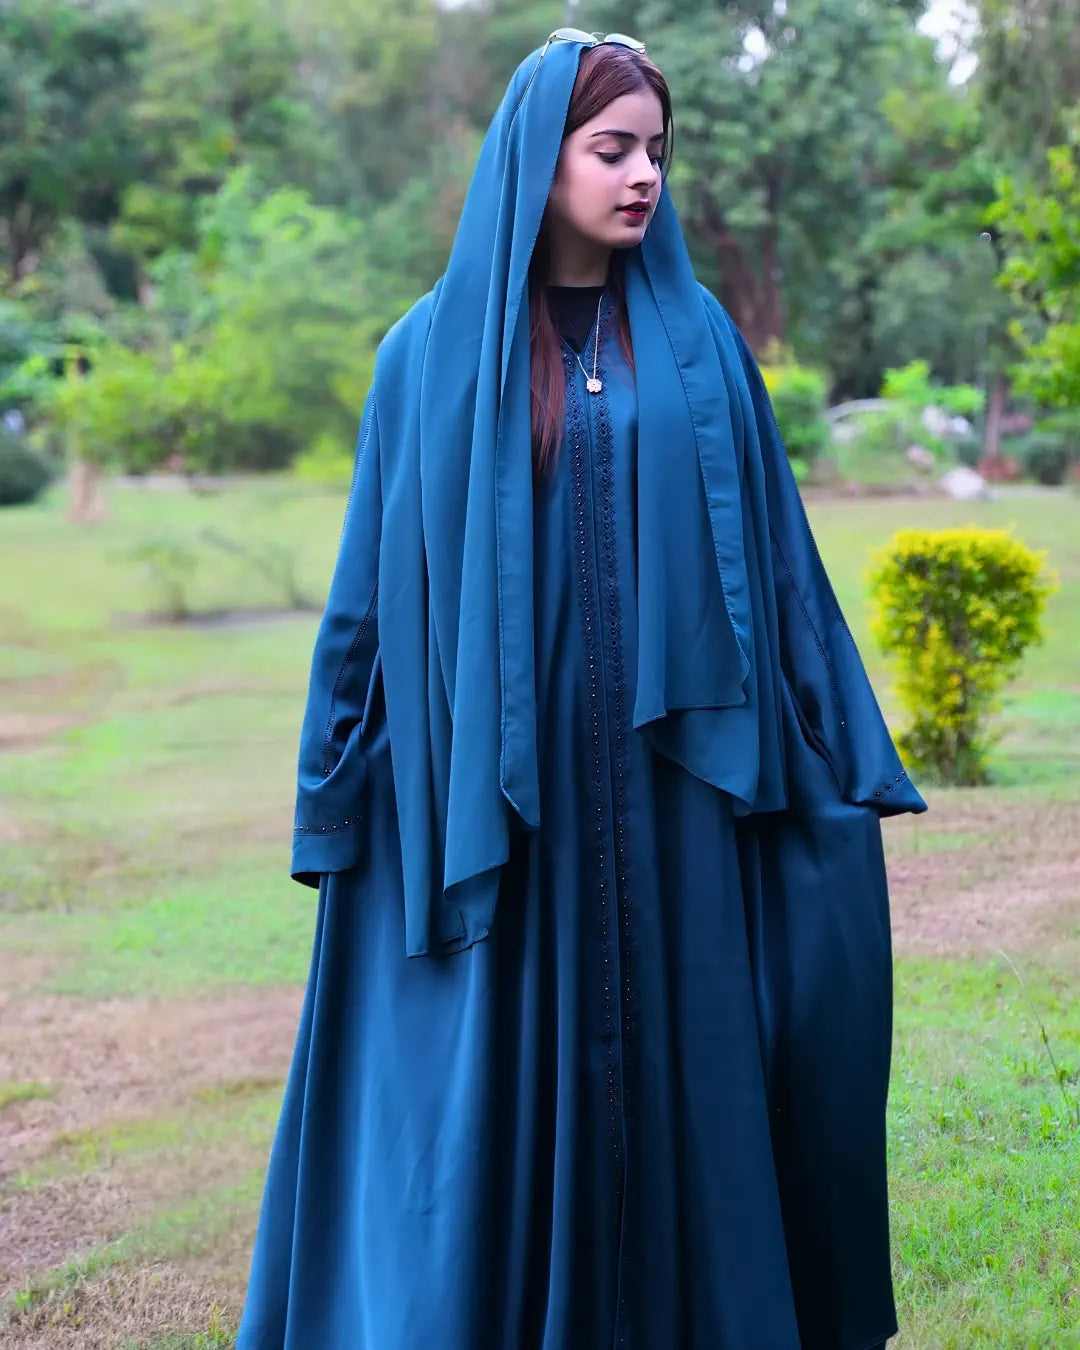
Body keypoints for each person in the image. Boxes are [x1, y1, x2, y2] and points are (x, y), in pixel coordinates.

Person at [236, 31, 926, 1350]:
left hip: (669, 808)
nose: (643, 176)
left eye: (657, 150)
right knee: (488, 1082)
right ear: (535, 159)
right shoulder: (426, 357)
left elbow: (777, 563)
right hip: (503, 806)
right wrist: (335, 799)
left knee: (681, 1063)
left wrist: (838, 753)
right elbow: (368, 601)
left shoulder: (698, 343)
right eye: (612, 148)